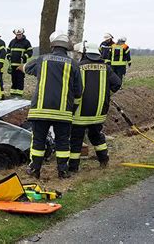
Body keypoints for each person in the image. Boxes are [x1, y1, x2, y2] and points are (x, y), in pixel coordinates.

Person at [24, 31, 82, 179]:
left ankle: (35, 170)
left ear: (52, 45)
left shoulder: (42, 60)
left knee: (38, 141)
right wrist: (72, 109)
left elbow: (27, 68)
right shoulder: (73, 64)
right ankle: (63, 172)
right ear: (66, 47)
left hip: (40, 111)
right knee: (62, 142)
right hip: (62, 113)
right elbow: (78, 91)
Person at [69, 42, 122, 172]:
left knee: (76, 140)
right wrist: (106, 95)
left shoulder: (78, 67)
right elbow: (117, 83)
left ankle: (73, 168)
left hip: (79, 114)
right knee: (97, 137)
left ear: (85, 53)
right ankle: (104, 161)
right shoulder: (106, 68)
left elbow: (71, 87)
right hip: (98, 113)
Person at [7, 28, 33, 97]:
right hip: (12, 65)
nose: (19, 36)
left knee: (20, 80)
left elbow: (30, 52)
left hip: (21, 65)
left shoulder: (26, 42)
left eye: (20, 34)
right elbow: (8, 50)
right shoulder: (12, 42)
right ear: (15, 34)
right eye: (17, 34)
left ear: (22, 34)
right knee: (14, 79)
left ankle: (19, 95)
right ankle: (13, 94)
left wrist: (24, 56)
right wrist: (8, 56)